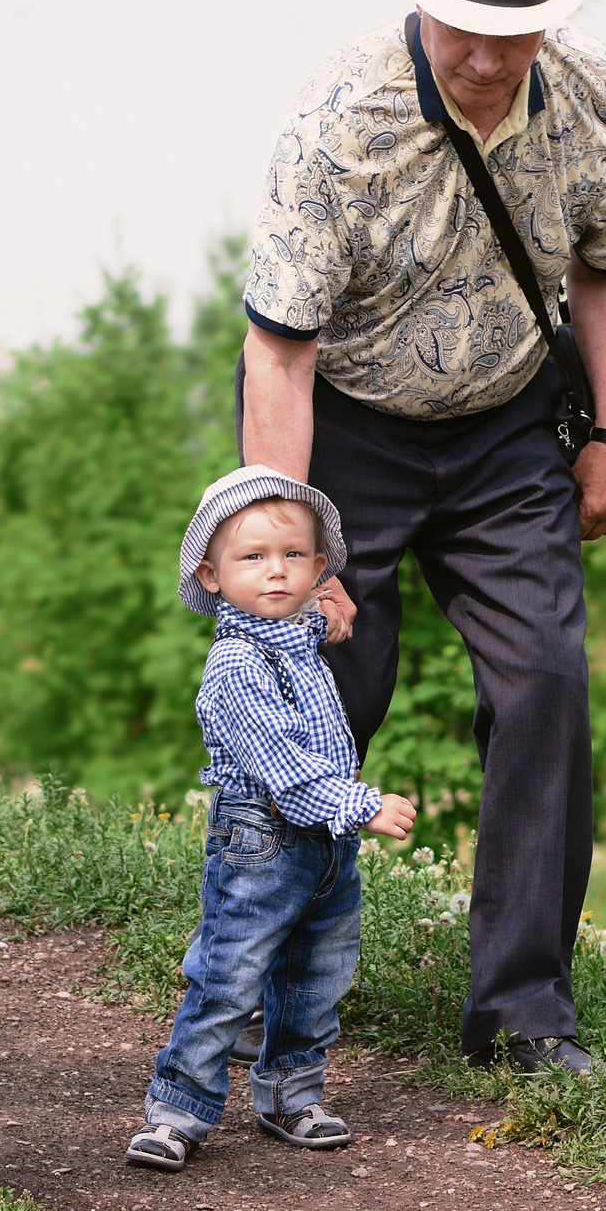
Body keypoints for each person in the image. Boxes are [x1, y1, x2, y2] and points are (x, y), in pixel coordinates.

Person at [237, 0, 606, 1076]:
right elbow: (280, 351)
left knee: (546, 686)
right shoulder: (338, 126)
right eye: (458, 24)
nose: (477, 54)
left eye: (507, 32)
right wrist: (290, 544)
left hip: (508, 426)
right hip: (344, 430)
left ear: (549, 22)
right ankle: (268, 973)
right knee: (322, 691)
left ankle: (523, 1014)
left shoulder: (598, 102)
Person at [128, 468, 418, 1174]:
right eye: (252, 558)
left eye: (293, 556)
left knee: (316, 974)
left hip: (324, 851)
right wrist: (363, 804)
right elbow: (285, 775)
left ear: (319, 568)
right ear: (214, 574)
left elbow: (308, 627)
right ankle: (178, 1108)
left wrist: (327, 615)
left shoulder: (293, 633)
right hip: (263, 837)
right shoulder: (234, 665)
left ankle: (293, 1093)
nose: (275, 572)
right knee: (230, 973)